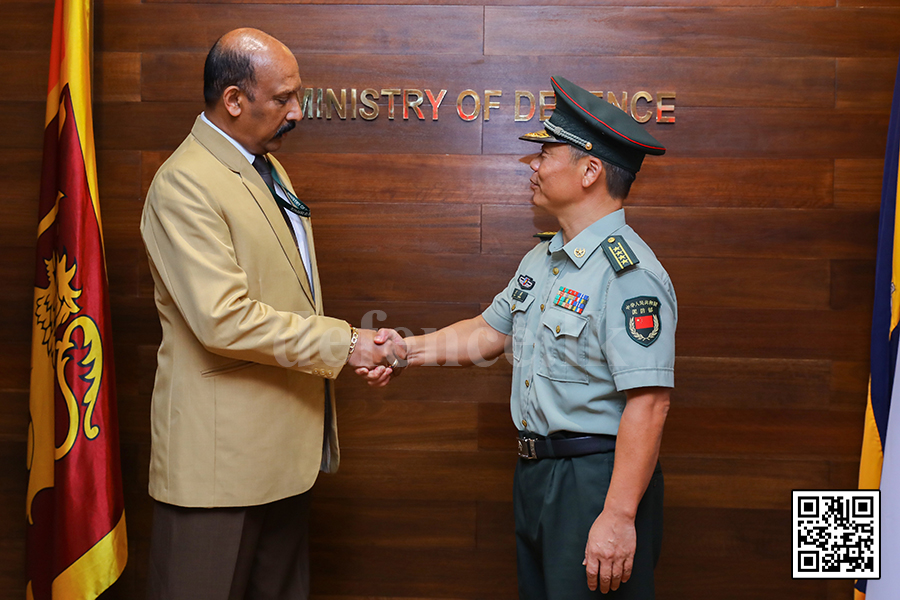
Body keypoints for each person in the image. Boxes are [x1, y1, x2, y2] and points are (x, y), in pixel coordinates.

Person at [362, 76, 675, 599]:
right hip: (537, 475)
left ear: (589, 170)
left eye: (546, 152)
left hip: (594, 482)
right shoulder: (545, 257)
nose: (532, 164)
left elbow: (649, 403)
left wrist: (618, 516)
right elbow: (488, 332)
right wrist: (401, 351)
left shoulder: (629, 274)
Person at [140, 28, 403, 599]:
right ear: (234, 100)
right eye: (283, 98)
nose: (298, 112)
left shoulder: (266, 166)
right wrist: (348, 344)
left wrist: (357, 346)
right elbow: (224, 320)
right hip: (220, 469)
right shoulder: (184, 184)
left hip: (282, 456)